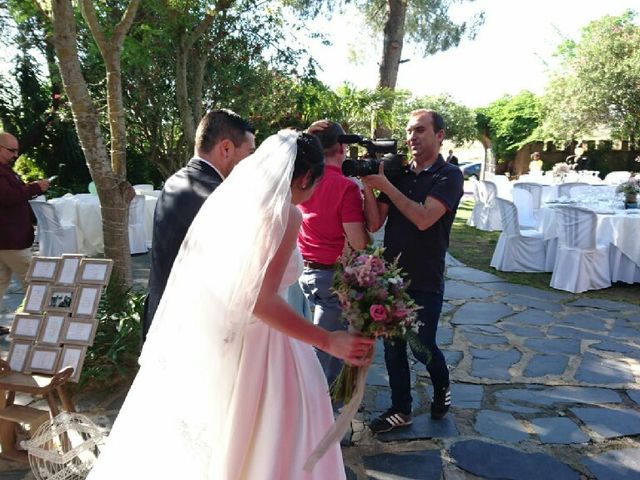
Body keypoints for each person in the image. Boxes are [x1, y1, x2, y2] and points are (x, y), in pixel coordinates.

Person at [86, 130, 374, 480]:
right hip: (266, 347)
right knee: (278, 432)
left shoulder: (239, 206)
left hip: (224, 337)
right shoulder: (285, 214)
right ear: (303, 177)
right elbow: (259, 301)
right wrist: (327, 340)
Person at [362, 110, 463, 433]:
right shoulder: (400, 175)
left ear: (440, 135)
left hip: (425, 277)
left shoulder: (449, 176)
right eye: (408, 131)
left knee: (421, 346)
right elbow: (375, 223)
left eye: (420, 130)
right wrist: (369, 185)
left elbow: (423, 218)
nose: (412, 137)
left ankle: (442, 385)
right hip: (392, 276)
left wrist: (387, 187)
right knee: (392, 346)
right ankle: (400, 408)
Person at [142, 109, 255, 341]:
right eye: (249, 154)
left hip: (160, 319)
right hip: (195, 333)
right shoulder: (222, 196)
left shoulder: (175, 180)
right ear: (226, 148)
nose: (252, 164)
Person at [298, 120, 369, 386]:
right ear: (342, 147)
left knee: (311, 344)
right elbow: (358, 241)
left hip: (304, 273)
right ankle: (322, 414)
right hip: (332, 279)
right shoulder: (345, 187)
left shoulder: (303, 178)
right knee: (326, 356)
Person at [0, 132, 49, 314]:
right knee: (33, 280)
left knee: (2, 281)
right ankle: (41, 322)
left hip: (8, 238)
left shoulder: (5, 169)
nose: (15, 155)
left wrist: (30, 188)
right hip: (10, 239)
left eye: (16, 151)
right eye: (11, 150)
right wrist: (35, 188)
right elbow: (7, 197)